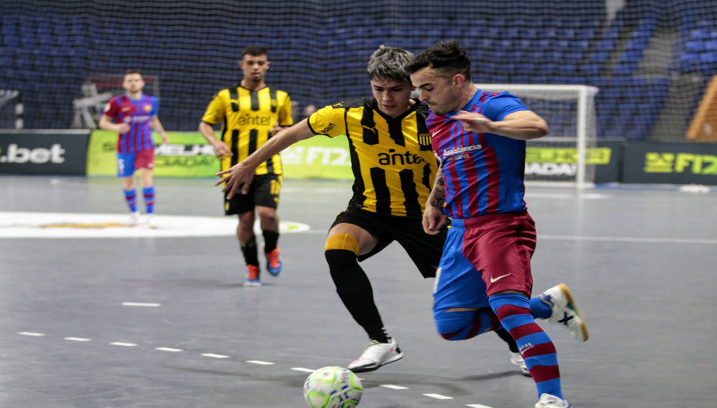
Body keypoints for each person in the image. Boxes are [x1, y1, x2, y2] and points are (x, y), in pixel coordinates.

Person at [216, 45, 581, 376]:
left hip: (427, 217)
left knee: (481, 294)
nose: (387, 97)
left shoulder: (433, 115)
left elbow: (453, 161)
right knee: (337, 252)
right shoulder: (348, 115)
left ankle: (524, 335)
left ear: (412, 87)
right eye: (379, 89)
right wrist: (248, 164)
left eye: (396, 89)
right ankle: (381, 342)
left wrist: (439, 201)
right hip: (369, 210)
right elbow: (291, 134)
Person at [406, 41, 588, 408]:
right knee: (452, 325)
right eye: (418, 89)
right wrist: (434, 202)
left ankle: (555, 403)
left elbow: (535, 125)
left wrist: (491, 126)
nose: (421, 97)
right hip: (459, 229)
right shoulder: (436, 118)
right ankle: (548, 306)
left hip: (502, 226)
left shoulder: (493, 104)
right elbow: (448, 162)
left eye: (428, 87)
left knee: (507, 309)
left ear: (457, 80)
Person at [199, 45, 293, 286]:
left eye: (260, 63)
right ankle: (251, 266)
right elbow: (205, 124)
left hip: (268, 167)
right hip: (234, 168)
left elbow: (288, 130)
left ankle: (271, 249)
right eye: (251, 62)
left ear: (267, 65)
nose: (255, 67)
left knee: (268, 215)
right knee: (245, 220)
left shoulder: (280, 98)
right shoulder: (225, 97)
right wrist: (215, 141)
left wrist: (282, 131)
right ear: (242, 65)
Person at [99, 70, 168, 227]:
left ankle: (150, 214)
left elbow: (154, 119)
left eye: (136, 80)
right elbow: (103, 122)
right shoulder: (116, 102)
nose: (133, 83)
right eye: (130, 80)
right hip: (125, 148)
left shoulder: (151, 101)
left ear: (142, 83)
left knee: (146, 179)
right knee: (128, 183)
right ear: (124, 84)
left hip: (145, 146)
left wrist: (162, 134)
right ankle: (134, 213)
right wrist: (116, 127)